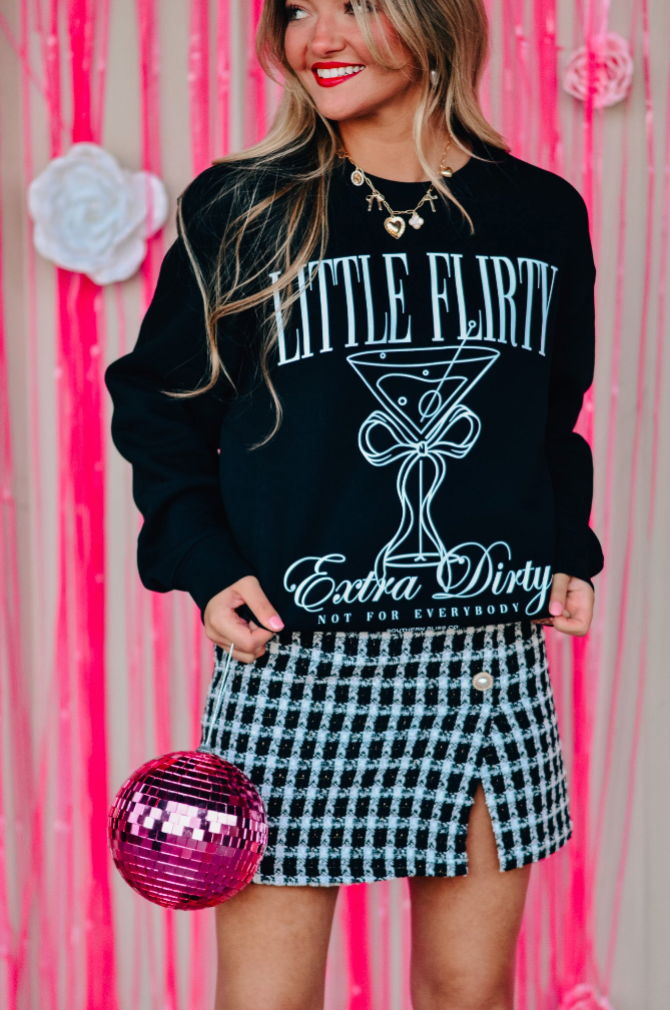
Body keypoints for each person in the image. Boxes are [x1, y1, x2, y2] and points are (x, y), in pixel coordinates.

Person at [106, 1, 604, 1007]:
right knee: (269, 997)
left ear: (435, 19)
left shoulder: (540, 213)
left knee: (469, 990)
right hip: (294, 658)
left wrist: (564, 547)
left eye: (357, 5)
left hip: (483, 657)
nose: (318, 37)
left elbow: (550, 414)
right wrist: (205, 562)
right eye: (299, 11)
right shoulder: (242, 205)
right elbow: (161, 404)